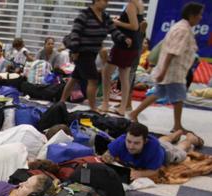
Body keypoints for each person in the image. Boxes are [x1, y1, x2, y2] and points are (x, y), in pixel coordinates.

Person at [128, 2, 204, 133]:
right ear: (192, 16)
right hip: (173, 72)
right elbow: (172, 52)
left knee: (159, 92)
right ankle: (177, 126)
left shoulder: (181, 27)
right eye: (199, 15)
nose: (201, 18)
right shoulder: (183, 30)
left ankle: (134, 113)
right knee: (179, 97)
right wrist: (163, 71)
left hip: (172, 70)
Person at [60, 0, 131, 111]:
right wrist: (74, 50)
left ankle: (61, 102)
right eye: (104, 1)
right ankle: (93, 108)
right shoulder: (84, 15)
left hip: (92, 52)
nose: (106, 3)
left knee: (75, 77)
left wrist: (123, 38)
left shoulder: (105, 16)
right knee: (93, 80)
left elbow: (113, 30)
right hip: (81, 52)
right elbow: (75, 33)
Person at [102, 122, 203, 180]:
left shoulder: (153, 149)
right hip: (159, 143)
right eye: (129, 141)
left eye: (136, 143)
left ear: (145, 141)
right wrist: (107, 159)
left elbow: (155, 170)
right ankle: (176, 134)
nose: (131, 146)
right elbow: (106, 156)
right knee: (162, 141)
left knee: (180, 151)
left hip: (167, 153)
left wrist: (139, 173)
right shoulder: (121, 141)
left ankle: (190, 138)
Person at [100, 0, 145, 117]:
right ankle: (122, 108)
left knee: (106, 73)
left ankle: (105, 103)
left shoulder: (131, 5)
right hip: (132, 45)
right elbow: (136, 23)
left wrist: (115, 22)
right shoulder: (139, 4)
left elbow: (134, 26)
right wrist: (120, 20)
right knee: (124, 76)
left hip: (124, 45)